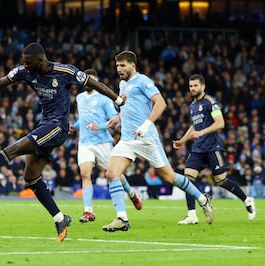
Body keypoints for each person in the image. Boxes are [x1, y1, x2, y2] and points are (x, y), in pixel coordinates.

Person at [0, 42, 125, 241]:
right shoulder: (24, 72)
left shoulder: (64, 71)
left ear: (41, 60)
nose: (24, 65)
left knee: (13, 149)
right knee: (30, 176)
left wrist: (117, 99)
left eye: (28, 62)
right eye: (23, 62)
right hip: (43, 125)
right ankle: (60, 218)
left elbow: (93, 83)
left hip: (57, 127)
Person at [102, 51, 214, 232]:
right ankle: (122, 218)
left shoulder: (144, 81)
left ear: (132, 65)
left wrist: (146, 125)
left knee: (168, 176)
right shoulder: (122, 84)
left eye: (122, 65)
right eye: (117, 66)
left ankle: (202, 199)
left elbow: (161, 103)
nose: (119, 69)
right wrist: (118, 117)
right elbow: (131, 106)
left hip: (147, 138)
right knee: (111, 173)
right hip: (128, 139)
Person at [173, 74, 256, 224]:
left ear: (203, 86)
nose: (192, 88)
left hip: (212, 147)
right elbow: (194, 126)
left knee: (221, 180)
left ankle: (247, 199)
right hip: (197, 148)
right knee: (188, 179)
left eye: (195, 86)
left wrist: (201, 133)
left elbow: (220, 123)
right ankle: (191, 214)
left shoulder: (211, 103)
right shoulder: (192, 106)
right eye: (190, 86)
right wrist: (182, 140)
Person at [71, 69, 141, 223]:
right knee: (84, 174)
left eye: (92, 80)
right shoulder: (79, 98)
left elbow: (115, 120)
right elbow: (82, 119)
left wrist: (100, 126)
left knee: (115, 174)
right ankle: (88, 211)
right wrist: (74, 126)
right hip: (84, 143)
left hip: (102, 142)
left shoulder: (104, 99)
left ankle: (131, 194)